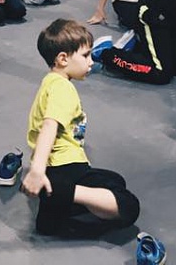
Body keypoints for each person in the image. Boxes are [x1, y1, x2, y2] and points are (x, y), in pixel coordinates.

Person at [21, 18, 140, 238]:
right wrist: (36, 170)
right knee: (129, 205)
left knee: (115, 180)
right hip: (66, 167)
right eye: (86, 56)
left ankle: (55, 203)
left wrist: (40, 167)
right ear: (63, 59)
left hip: (54, 168)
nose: (91, 62)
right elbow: (49, 125)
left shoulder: (49, 81)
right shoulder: (63, 88)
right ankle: (60, 191)